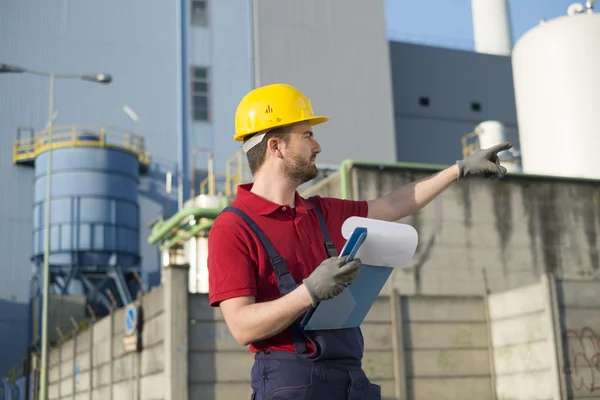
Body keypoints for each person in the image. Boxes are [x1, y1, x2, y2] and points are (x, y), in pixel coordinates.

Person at [207, 83, 511, 399]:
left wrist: (457, 170)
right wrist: (309, 292)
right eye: (307, 135)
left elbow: (395, 204)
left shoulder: (322, 212)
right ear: (275, 146)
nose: (318, 146)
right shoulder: (232, 228)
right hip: (291, 384)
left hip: (350, 379)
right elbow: (242, 326)